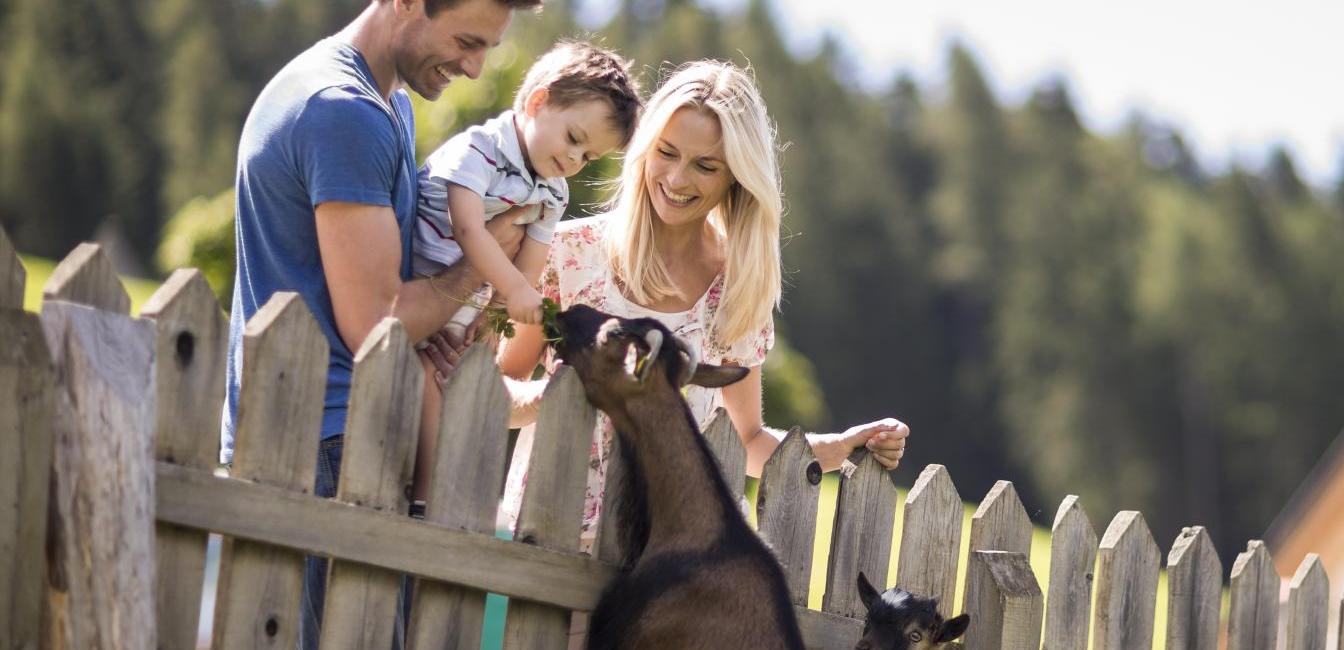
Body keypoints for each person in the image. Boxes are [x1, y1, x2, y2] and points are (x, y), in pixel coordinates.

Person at [221, 0, 538, 646]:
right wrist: (483, 264)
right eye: (466, 41)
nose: (475, 69)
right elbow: (378, 323)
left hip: (325, 445)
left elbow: (385, 292)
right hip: (323, 455)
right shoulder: (345, 112)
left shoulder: (384, 102)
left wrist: (437, 325)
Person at [493, 60, 910, 550]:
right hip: (546, 534)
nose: (676, 177)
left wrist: (837, 448)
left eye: (705, 165)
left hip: (667, 563)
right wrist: (558, 393)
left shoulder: (737, 290)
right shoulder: (567, 255)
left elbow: (747, 441)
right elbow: (499, 390)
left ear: (735, 177)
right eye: (666, 153)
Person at [408, 40, 639, 501]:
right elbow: (470, 229)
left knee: (462, 389)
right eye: (574, 139)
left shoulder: (553, 192)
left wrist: (497, 316)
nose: (575, 160)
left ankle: (444, 495)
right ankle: (423, 502)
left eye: (588, 157)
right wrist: (511, 290)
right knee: (430, 389)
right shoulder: (478, 151)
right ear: (538, 102)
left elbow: (531, 264)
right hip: (418, 287)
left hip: (461, 307)